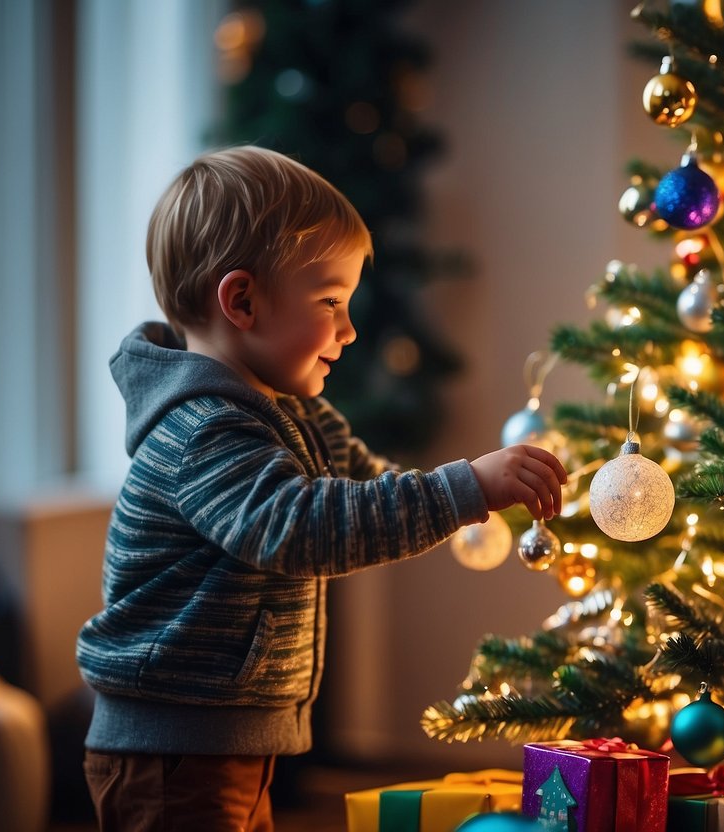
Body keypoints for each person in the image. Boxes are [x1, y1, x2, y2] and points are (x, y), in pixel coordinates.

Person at [75, 145, 567, 831]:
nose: (348, 329)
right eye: (330, 302)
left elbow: (371, 485)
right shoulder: (203, 431)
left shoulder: (298, 415)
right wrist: (464, 489)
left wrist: (482, 495)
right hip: (174, 746)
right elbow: (298, 528)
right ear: (242, 300)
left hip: (228, 735)